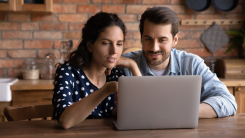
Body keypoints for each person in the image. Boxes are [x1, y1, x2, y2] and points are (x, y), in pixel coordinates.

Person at [122, 7, 237, 118]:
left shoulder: (192, 64)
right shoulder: (125, 63)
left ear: (175, 40)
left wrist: (180, 113)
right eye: (148, 39)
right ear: (141, 38)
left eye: (162, 40)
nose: (154, 48)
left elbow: (228, 101)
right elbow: (108, 107)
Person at [52, 12, 141, 129]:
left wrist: (132, 65)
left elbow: (140, 112)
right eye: (106, 43)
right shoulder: (67, 73)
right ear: (90, 45)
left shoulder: (117, 74)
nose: (114, 50)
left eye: (119, 44)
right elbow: (65, 121)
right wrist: (107, 89)